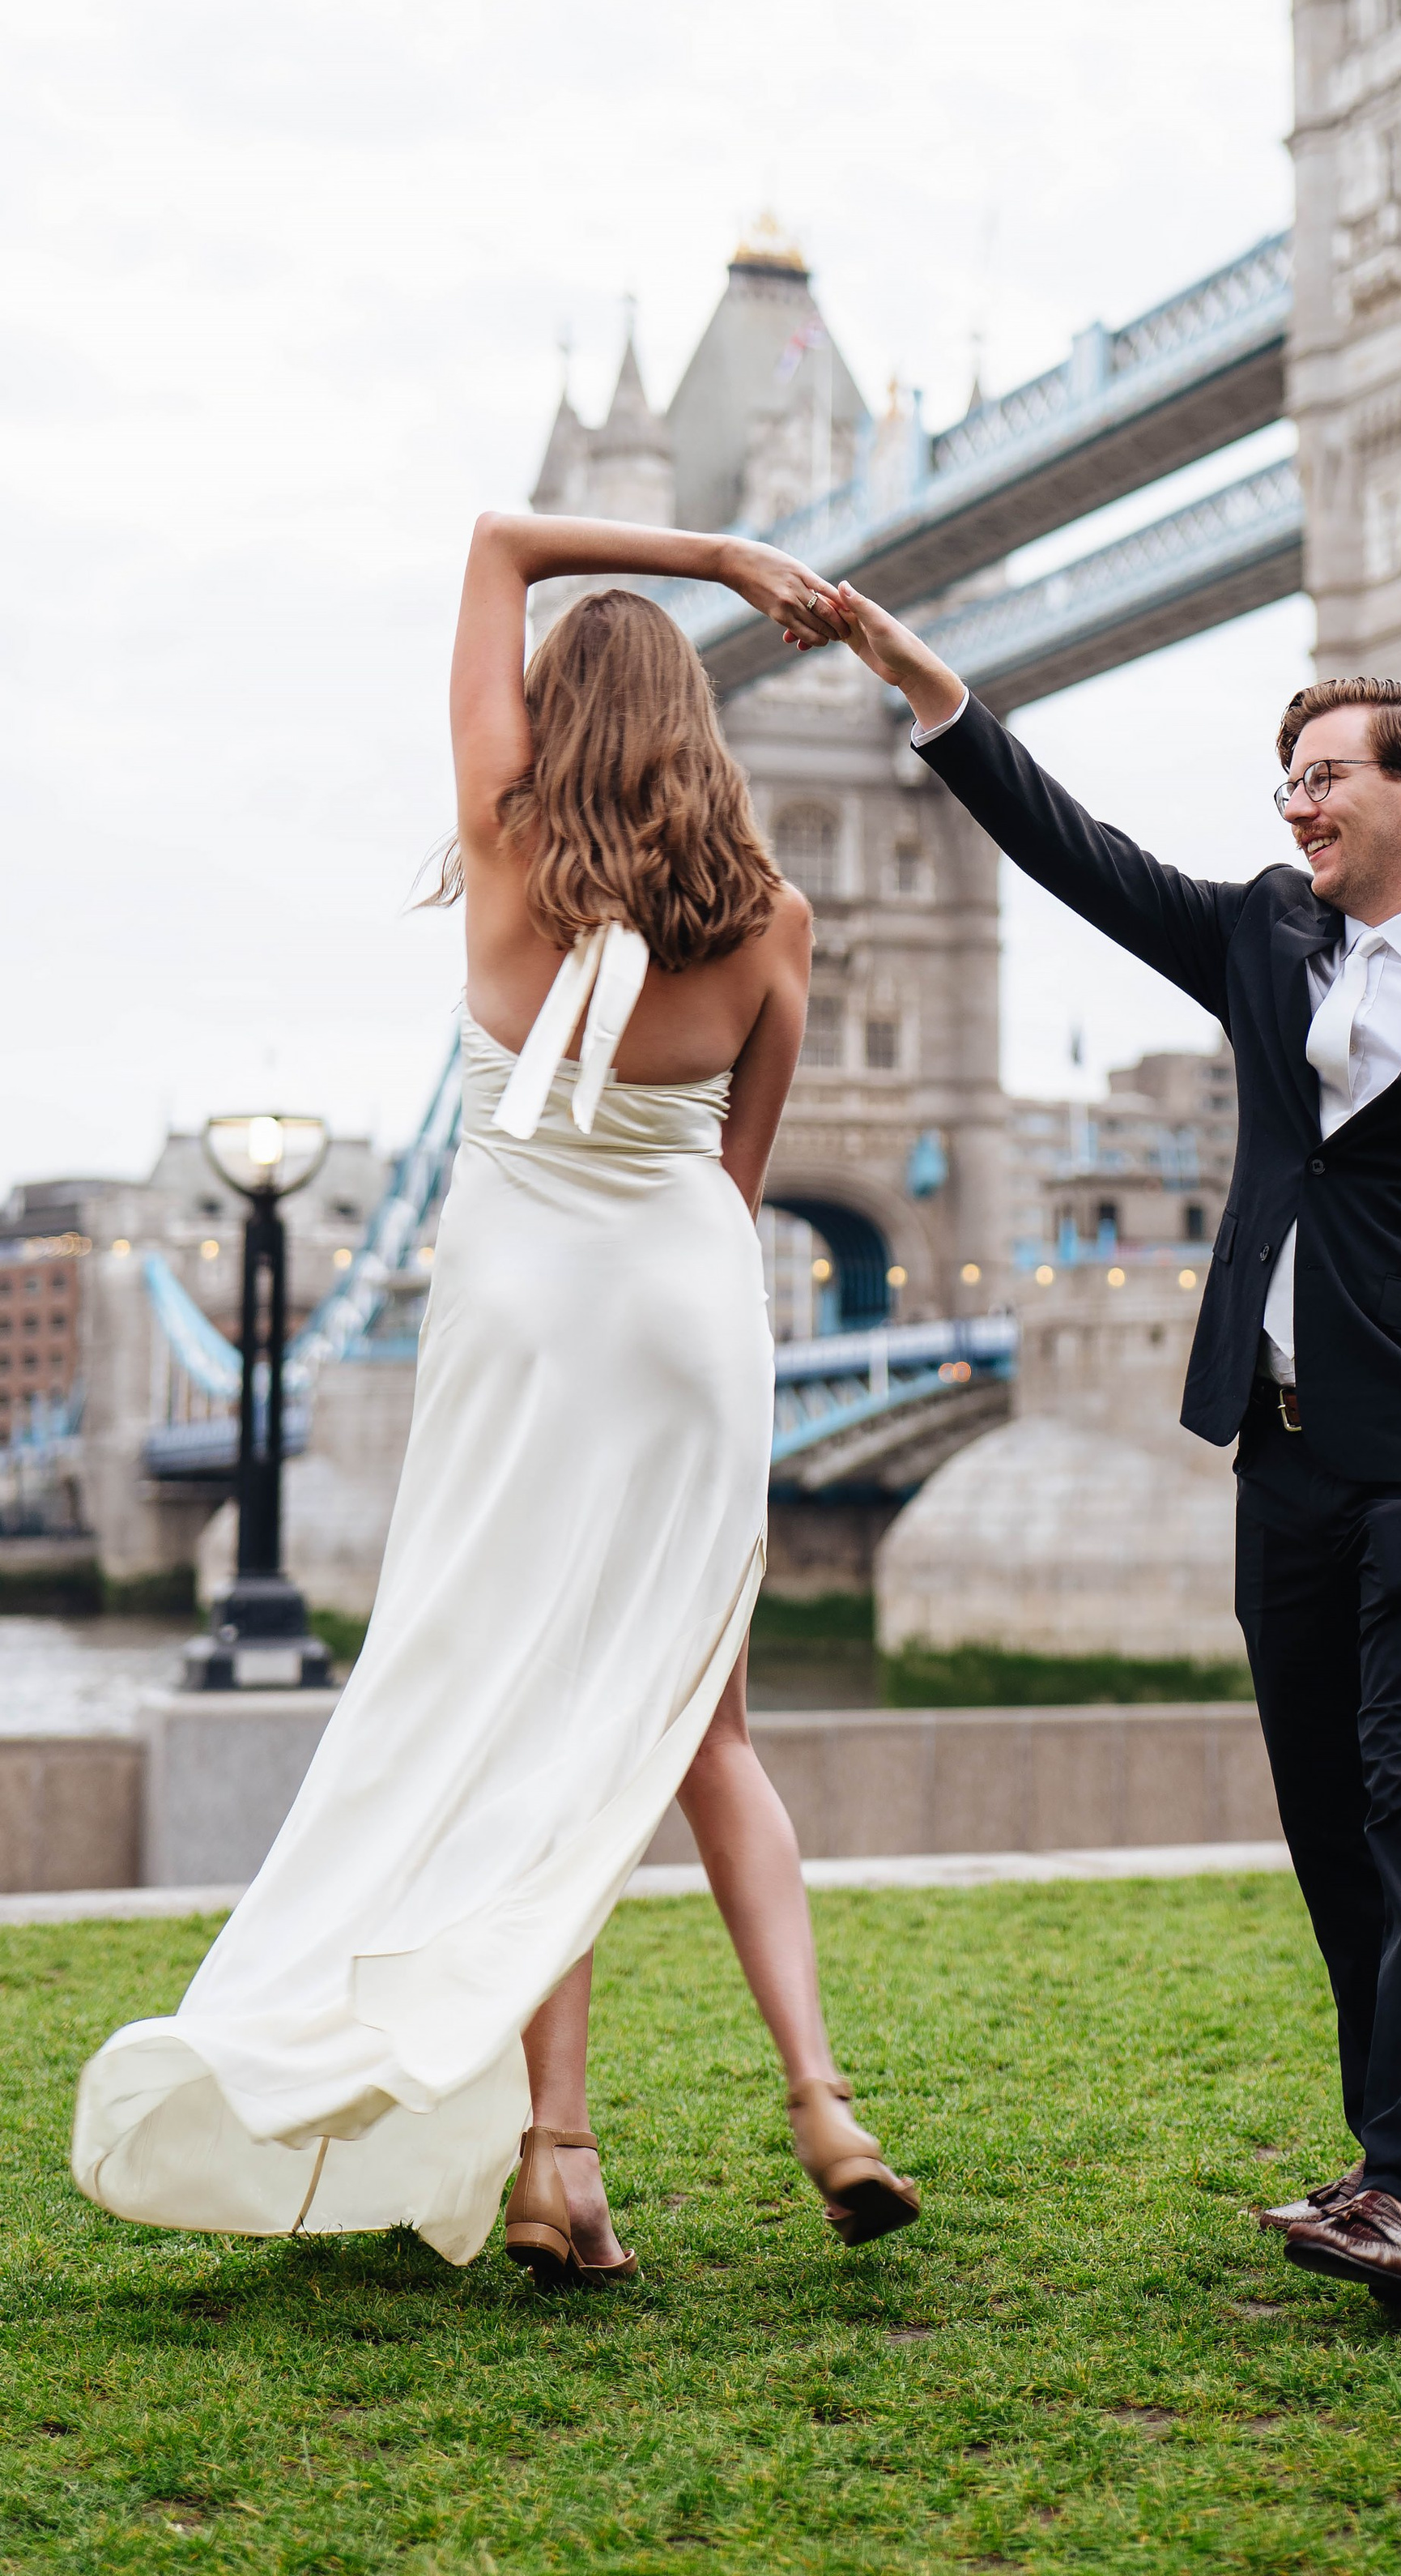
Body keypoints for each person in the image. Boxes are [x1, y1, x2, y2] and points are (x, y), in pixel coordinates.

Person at [827, 586, 1401, 2324]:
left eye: (1323, 772)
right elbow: (1074, 852)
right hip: (1279, 1457)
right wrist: (925, 689)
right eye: (1282, 778)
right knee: (1328, 1824)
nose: (1293, 802)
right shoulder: (1263, 938)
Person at [73, 516, 918, 2281]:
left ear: (554, 719)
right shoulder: (775, 918)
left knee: (538, 1737)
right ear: (698, 727)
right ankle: (821, 2101)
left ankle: (563, 2156)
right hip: (690, 1312)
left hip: (522, 1317)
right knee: (710, 1730)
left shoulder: (507, 839)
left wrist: (711, 550)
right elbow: (734, 1180)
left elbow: (495, 541)